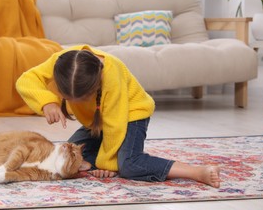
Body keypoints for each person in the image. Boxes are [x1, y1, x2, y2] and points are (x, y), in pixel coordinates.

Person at [16, 45, 221, 188]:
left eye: (81, 98)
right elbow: (26, 80)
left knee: (129, 165)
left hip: (130, 116)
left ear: (95, 85)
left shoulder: (111, 73)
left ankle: (196, 172)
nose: (76, 104)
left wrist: (108, 164)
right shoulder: (62, 63)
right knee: (66, 157)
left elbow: (115, 125)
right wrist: (48, 102)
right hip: (98, 121)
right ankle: (100, 157)